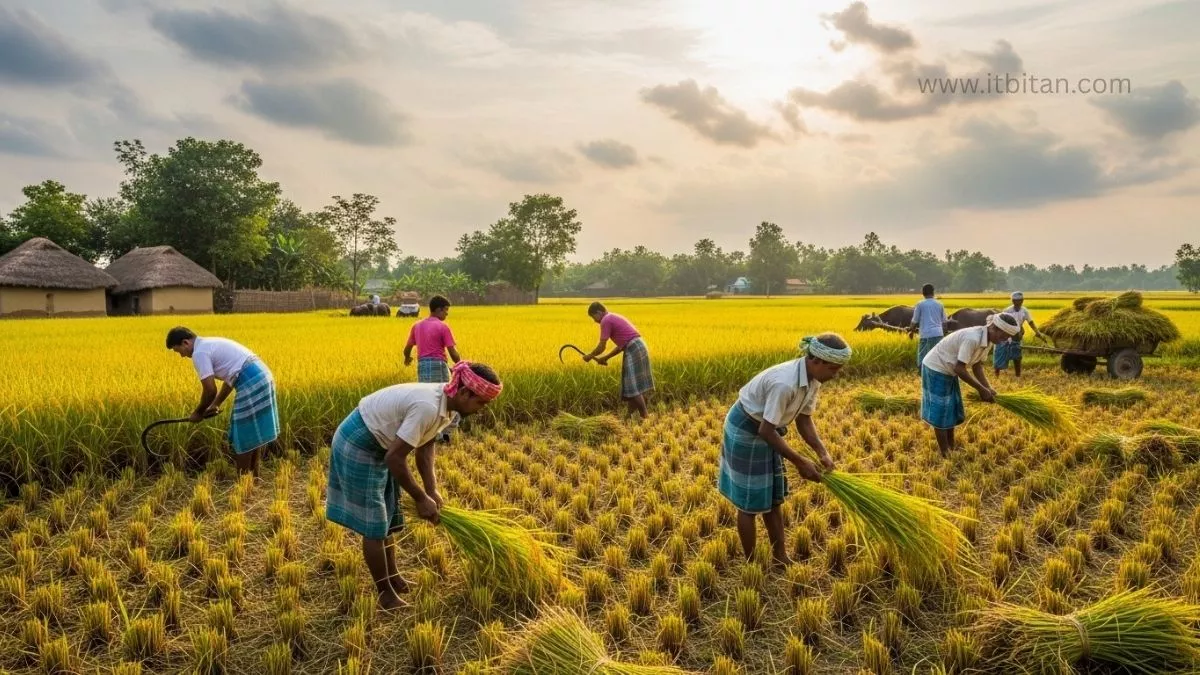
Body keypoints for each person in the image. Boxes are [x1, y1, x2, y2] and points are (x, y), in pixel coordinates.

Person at [325, 361, 502, 610]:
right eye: (481, 402)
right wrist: (420, 498)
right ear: (463, 392)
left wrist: (432, 489)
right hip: (359, 443)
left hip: (383, 444)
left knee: (388, 517)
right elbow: (395, 458)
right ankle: (385, 594)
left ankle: (393, 577)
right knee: (375, 525)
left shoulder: (449, 408)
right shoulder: (428, 406)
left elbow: (425, 445)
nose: (482, 409)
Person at [717, 334, 851, 566]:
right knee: (749, 502)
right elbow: (765, 431)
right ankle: (752, 562)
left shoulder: (813, 380)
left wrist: (822, 452)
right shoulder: (785, 383)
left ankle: (780, 556)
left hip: (767, 429)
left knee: (773, 498)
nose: (835, 375)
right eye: (833, 369)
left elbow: (804, 420)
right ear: (816, 361)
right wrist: (800, 461)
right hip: (746, 429)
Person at [166, 327, 280, 476]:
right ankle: (252, 480)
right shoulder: (210, 343)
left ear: (185, 342)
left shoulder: (199, 352)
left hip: (251, 381)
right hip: (262, 375)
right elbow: (231, 378)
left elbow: (210, 390)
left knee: (243, 435)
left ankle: (243, 481)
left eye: (178, 351)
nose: (181, 356)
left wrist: (198, 412)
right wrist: (216, 403)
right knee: (251, 433)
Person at [921, 313, 1020, 456]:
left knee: (951, 410)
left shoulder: (989, 340)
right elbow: (959, 368)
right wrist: (981, 389)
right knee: (941, 410)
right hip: (936, 367)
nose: (1004, 340)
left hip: (948, 370)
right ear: (994, 328)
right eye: (1003, 336)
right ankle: (945, 452)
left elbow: (976, 365)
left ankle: (951, 446)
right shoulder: (972, 338)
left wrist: (988, 388)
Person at [403, 295, 461, 442]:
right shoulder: (443, 327)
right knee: (445, 399)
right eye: (446, 310)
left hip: (422, 366)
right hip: (438, 365)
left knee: (429, 399)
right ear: (439, 309)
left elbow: (407, 348)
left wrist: (407, 358)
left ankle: (430, 434)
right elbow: (452, 352)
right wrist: (461, 365)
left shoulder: (417, 326)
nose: (447, 314)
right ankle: (443, 434)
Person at [583, 302, 653, 419]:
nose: (595, 321)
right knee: (632, 386)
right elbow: (621, 346)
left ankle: (645, 416)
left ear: (599, 313)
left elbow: (602, 346)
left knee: (632, 386)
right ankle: (628, 416)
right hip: (638, 346)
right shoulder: (612, 317)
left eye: (593, 317)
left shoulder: (606, 320)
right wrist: (605, 358)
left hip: (633, 348)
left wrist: (590, 355)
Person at [994, 291, 1043, 378]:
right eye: (1016, 301)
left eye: (1020, 301)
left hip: (1017, 336)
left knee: (1017, 356)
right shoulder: (1007, 311)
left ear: (1022, 301)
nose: (1018, 303)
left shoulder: (1024, 311)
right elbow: (1001, 324)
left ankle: (1018, 376)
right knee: (1000, 354)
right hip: (1005, 335)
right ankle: (996, 375)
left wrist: (1037, 332)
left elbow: (1030, 322)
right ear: (1012, 301)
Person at [909, 283, 948, 371]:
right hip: (938, 334)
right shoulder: (939, 304)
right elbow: (945, 322)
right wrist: (944, 333)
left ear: (923, 293)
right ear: (933, 292)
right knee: (937, 356)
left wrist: (910, 331)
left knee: (922, 356)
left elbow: (914, 321)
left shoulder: (920, 304)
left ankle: (922, 373)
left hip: (926, 335)